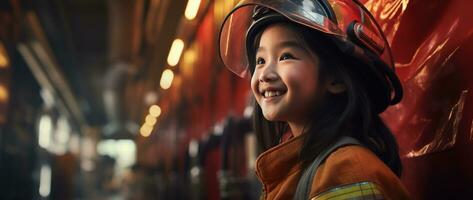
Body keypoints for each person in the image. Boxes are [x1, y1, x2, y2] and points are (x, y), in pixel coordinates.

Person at [218, 0, 410, 199]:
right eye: (260, 60)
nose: (265, 74)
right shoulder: (300, 168)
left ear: (336, 79)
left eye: (285, 56)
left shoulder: (344, 171)